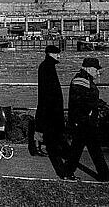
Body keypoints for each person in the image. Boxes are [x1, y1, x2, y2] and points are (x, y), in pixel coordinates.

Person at [63, 58, 109, 182]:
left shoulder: (84, 79)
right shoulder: (81, 81)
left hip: (84, 120)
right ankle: (103, 175)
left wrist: (102, 105)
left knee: (81, 148)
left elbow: (88, 98)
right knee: (86, 148)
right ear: (88, 68)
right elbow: (85, 100)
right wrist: (101, 106)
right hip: (83, 121)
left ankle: (68, 172)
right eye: (96, 70)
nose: (98, 73)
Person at [34, 45, 68, 178]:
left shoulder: (46, 66)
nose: (59, 56)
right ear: (50, 54)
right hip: (51, 107)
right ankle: (60, 165)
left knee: (47, 131)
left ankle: (43, 147)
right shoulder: (47, 67)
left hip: (48, 106)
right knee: (52, 134)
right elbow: (49, 90)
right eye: (57, 54)